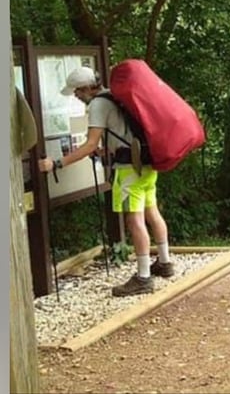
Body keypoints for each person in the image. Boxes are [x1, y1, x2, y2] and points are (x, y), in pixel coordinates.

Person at [37, 66, 174, 297]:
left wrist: (57, 163)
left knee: (134, 220)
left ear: (85, 88)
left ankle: (143, 278)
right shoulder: (113, 95)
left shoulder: (98, 104)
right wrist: (106, 151)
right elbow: (123, 133)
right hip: (146, 163)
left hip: (129, 169)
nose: (76, 97)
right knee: (152, 212)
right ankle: (164, 262)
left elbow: (90, 144)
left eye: (76, 92)